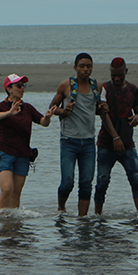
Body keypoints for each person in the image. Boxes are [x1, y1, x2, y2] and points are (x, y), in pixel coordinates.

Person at [0, 74, 53, 210]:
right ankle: (2, 219)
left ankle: (14, 220)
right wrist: (9, 113)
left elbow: (43, 122)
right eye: (19, 85)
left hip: (22, 154)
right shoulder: (2, 106)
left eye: (23, 85)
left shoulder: (27, 108)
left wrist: (47, 117)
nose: (22, 88)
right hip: (4, 152)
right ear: (9, 89)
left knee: (16, 193)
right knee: (7, 189)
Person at [47, 53, 100, 216]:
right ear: (75, 67)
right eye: (82, 66)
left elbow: (97, 109)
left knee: (86, 182)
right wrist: (64, 111)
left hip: (88, 141)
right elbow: (52, 109)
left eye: (89, 66)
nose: (85, 69)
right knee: (67, 181)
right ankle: (61, 208)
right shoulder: (66, 86)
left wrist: (103, 109)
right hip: (69, 140)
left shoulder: (97, 86)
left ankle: (82, 218)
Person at [94, 57, 138, 214]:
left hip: (127, 144)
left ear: (126, 72)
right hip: (106, 143)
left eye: (120, 75)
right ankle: (97, 215)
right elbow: (103, 115)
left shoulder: (133, 89)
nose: (116, 78)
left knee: (136, 179)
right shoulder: (104, 89)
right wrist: (115, 138)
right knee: (102, 181)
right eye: (113, 75)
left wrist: (137, 118)